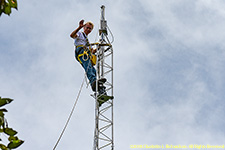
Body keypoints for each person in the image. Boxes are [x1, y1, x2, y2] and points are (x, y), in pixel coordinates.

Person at [70, 19, 106, 95]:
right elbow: (72, 35)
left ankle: (97, 86)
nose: (88, 29)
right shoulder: (80, 34)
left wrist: (99, 47)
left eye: (90, 29)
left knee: (93, 71)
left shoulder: (87, 41)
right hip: (82, 53)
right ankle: (93, 82)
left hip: (87, 54)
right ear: (84, 27)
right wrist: (79, 27)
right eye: (87, 28)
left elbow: (92, 51)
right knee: (88, 67)